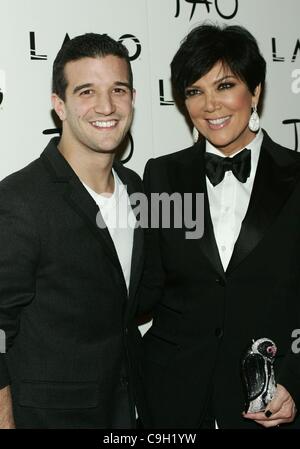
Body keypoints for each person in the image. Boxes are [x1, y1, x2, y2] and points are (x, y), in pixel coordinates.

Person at [140, 24, 300, 429]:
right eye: (194, 91)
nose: (210, 105)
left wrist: (295, 382)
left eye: (225, 85)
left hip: (269, 397)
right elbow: (147, 287)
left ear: (256, 91)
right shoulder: (162, 176)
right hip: (173, 396)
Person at [0, 33, 145, 428]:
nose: (106, 106)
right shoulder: (19, 199)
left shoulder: (138, 189)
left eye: (118, 89)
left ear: (132, 97)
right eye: (86, 91)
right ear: (59, 105)